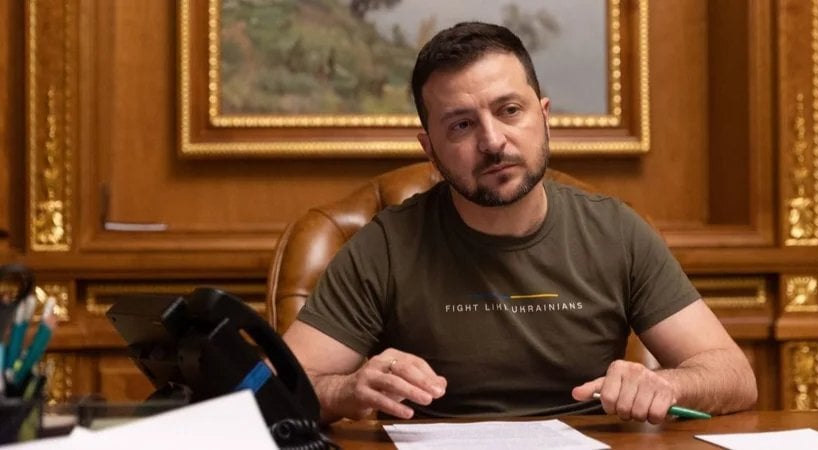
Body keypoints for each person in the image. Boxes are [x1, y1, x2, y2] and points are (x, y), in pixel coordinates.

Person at [283, 21, 757, 425]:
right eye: (461, 125)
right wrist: (347, 390)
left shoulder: (616, 231)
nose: (493, 141)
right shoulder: (386, 245)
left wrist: (667, 385)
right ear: (430, 148)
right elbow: (272, 389)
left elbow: (735, 376)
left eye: (509, 111)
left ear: (544, 118)